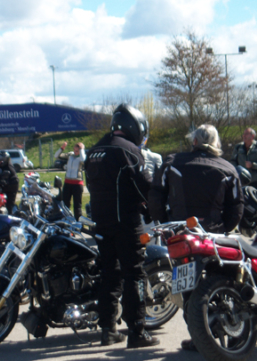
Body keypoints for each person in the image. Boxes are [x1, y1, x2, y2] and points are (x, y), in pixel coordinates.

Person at [148, 124, 244, 351]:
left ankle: (199, 336)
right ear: (217, 143)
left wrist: (164, 223)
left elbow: (155, 195)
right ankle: (233, 335)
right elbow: (237, 206)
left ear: (194, 142)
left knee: (186, 286)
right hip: (213, 235)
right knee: (227, 280)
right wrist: (223, 228)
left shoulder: (172, 162)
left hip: (180, 234)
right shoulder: (228, 168)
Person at [84, 103, 159, 349]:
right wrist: (155, 210)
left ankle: (108, 329)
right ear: (134, 126)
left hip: (101, 224)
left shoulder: (94, 151)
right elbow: (145, 187)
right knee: (134, 274)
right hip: (127, 224)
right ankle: (137, 331)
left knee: (109, 275)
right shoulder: (129, 151)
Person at [230, 127, 257, 193]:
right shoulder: (238, 147)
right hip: (241, 181)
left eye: (246, 134)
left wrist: (253, 165)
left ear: (252, 136)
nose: (244, 135)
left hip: (256, 181)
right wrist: (236, 170)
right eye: (243, 134)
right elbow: (233, 161)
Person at [54, 141, 86, 220]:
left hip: (77, 184)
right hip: (68, 183)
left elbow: (83, 159)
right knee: (65, 204)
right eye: (75, 149)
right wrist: (62, 148)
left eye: (78, 149)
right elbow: (56, 156)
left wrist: (82, 149)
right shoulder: (70, 155)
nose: (76, 151)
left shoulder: (82, 156)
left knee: (77, 206)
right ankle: (66, 220)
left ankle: (78, 222)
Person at [0, 150, 19, 215]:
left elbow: (8, 177)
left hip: (11, 185)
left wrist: (4, 181)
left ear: (4, 160)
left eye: (0, 160)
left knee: (9, 203)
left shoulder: (9, 168)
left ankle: (10, 216)